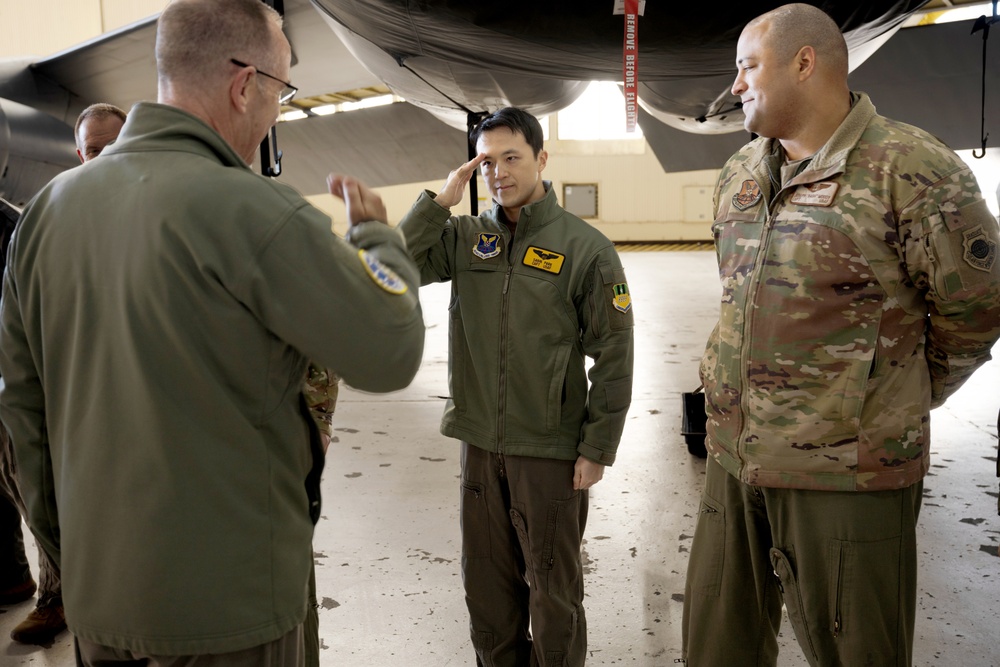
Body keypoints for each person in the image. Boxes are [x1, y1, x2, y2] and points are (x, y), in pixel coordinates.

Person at [0, 0, 424, 663]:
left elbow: (24, 414)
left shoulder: (44, 216)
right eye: (282, 90)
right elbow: (391, 349)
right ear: (244, 83)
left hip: (100, 604)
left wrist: (73, 557)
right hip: (235, 613)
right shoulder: (258, 212)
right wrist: (378, 241)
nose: (277, 109)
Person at [683, 4, 1000, 666]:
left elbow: (978, 311)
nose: (734, 86)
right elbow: (735, 296)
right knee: (715, 648)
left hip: (848, 479)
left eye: (746, 67)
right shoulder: (740, 174)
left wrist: (884, 398)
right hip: (733, 460)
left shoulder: (912, 169)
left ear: (805, 63)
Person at [398, 107, 634, 666]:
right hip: (480, 443)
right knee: (487, 592)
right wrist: (438, 203)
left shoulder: (586, 248)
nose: (499, 172)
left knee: (554, 597)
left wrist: (598, 446)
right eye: (487, 162)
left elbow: (614, 352)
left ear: (541, 159)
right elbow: (393, 265)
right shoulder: (463, 237)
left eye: (512, 158)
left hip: (549, 450)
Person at [0, 102, 127, 646]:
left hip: (108, 392)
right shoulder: (51, 218)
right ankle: (35, 584)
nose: (102, 158)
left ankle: (71, 599)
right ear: (78, 155)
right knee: (19, 484)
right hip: (38, 384)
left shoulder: (157, 211)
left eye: (113, 146)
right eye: (94, 149)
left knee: (57, 495)